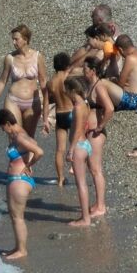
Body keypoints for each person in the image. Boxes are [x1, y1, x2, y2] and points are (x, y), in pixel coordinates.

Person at [0, 109, 43, 260]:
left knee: (18, 217)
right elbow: (33, 143)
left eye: (2, 127)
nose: (2, 130)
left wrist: (28, 165)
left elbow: (39, 151)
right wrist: (28, 160)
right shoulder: (18, 134)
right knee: (14, 216)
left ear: (8, 123)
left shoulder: (20, 136)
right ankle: (17, 247)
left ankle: (22, 250)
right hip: (16, 180)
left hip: (19, 180)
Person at [0, 24, 49, 139]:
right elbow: (2, 81)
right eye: (13, 39)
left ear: (25, 39)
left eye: (16, 39)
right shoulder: (10, 58)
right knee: (14, 136)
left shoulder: (37, 56)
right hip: (13, 101)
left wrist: (46, 110)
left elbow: (43, 82)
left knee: (28, 138)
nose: (14, 42)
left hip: (32, 102)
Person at [81, 59, 111, 219]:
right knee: (92, 169)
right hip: (90, 131)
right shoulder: (90, 85)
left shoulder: (99, 86)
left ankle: (101, 206)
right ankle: (98, 203)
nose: (83, 71)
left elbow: (110, 108)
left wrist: (100, 126)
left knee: (96, 169)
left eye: (85, 69)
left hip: (96, 133)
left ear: (93, 70)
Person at [64, 76, 97, 227]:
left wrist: (70, 150)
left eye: (66, 90)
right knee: (82, 182)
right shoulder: (85, 104)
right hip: (85, 144)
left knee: (81, 184)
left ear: (72, 90)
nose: (65, 93)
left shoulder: (78, 107)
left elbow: (77, 130)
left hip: (78, 146)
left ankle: (85, 219)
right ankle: (85, 215)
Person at [96, 35, 137, 111]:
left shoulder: (130, 58)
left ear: (121, 49)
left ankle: (105, 107)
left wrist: (113, 80)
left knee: (102, 82)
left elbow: (121, 84)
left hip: (131, 100)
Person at [45, 52, 74, 186]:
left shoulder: (50, 83)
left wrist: (45, 120)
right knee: (76, 143)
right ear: (67, 65)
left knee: (60, 150)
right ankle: (74, 167)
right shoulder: (68, 78)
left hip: (60, 114)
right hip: (71, 112)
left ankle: (60, 179)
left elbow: (46, 102)